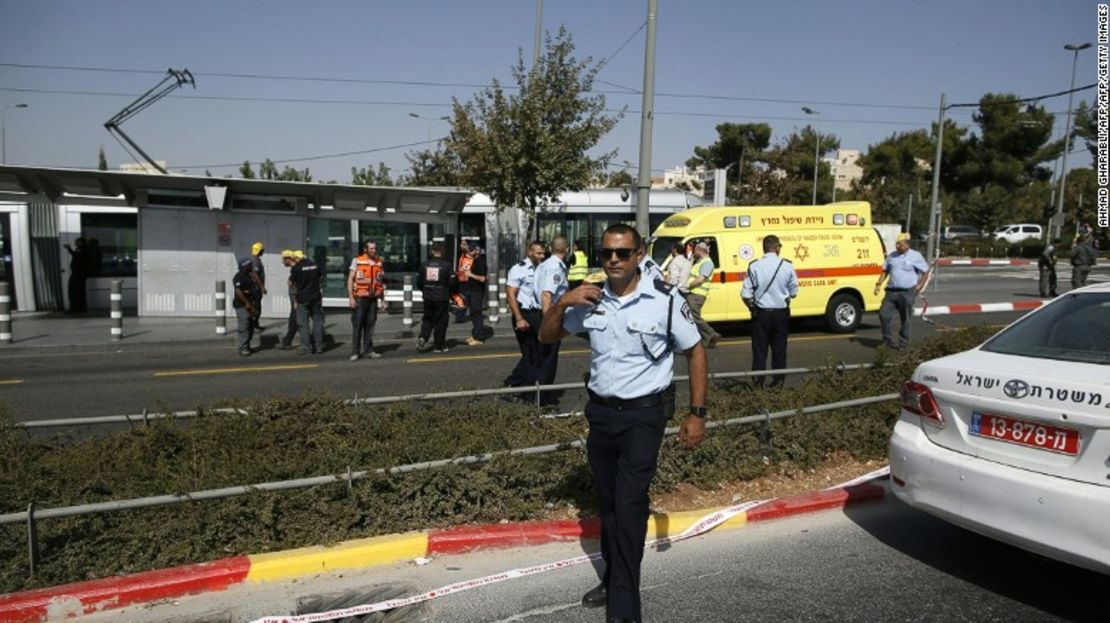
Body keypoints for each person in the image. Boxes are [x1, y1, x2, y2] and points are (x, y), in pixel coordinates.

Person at [539, 223, 708, 623]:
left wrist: (697, 413)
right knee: (611, 504)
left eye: (622, 253)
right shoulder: (591, 300)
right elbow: (547, 337)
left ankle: (625, 606)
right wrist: (563, 301)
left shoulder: (665, 300)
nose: (613, 260)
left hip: (643, 417)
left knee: (629, 506)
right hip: (601, 416)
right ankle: (614, 574)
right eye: (606, 254)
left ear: (639, 254)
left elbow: (696, 352)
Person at [741, 235, 799, 388]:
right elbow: (794, 293)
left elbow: (745, 294)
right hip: (781, 314)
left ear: (764, 248)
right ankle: (778, 383)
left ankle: (758, 383)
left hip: (761, 314)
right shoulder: (787, 266)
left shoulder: (754, 266)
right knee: (779, 350)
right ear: (778, 248)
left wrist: (752, 306)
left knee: (760, 351)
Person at [874, 232, 930, 349]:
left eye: (899, 244)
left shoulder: (916, 256)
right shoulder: (892, 256)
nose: (897, 246)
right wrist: (879, 284)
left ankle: (903, 343)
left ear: (907, 245)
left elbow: (925, 271)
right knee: (883, 314)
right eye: (896, 244)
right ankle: (887, 340)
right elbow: (885, 271)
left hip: (907, 292)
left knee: (905, 318)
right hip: (890, 292)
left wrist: (920, 286)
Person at [503, 241, 545, 387]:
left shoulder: (541, 268)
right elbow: (510, 294)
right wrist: (519, 318)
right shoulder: (518, 269)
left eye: (543, 253)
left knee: (539, 352)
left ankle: (517, 381)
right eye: (538, 253)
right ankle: (519, 385)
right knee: (529, 353)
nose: (542, 256)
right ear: (530, 252)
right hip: (524, 314)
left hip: (537, 314)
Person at [533, 236, 570, 401]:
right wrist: (549, 322)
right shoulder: (555, 268)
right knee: (548, 359)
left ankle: (539, 394)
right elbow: (547, 295)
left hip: (538, 313)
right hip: (549, 315)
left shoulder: (545, 264)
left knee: (541, 358)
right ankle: (543, 399)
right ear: (567, 249)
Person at [347, 240, 386, 361]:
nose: (374, 251)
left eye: (375, 248)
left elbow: (380, 282)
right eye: (371, 249)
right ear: (365, 249)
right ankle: (355, 352)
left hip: (373, 299)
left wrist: (383, 300)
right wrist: (351, 298)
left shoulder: (379, 262)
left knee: (370, 326)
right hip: (360, 298)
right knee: (357, 325)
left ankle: (369, 350)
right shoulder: (357, 261)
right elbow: (350, 279)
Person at [416, 241, 455, 353]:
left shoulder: (424, 265)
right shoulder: (446, 265)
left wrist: (425, 289)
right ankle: (438, 346)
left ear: (432, 251)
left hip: (428, 297)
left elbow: (418, 282)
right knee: (441, 322)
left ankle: (423, 337)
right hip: (442, 297)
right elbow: (453, 282)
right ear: (442, 252)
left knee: (428, 319)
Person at [686, 241, 722, 348]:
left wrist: (686, 286)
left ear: (700, 251)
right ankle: (707, 339)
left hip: (696, 294)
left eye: (695, 250)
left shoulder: (707, 263)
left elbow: (700, 280)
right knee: (691, 317)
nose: (693, 252)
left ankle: (711, 334)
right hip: (693, 293)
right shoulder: (699, 262)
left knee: (694, 317)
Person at [290, 250, 324, 355]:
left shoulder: (296, 268)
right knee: (317, 322)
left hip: (303, 299)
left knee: (303, 324)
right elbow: (320, 278)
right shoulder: (315, 265)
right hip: (316, 298)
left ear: (296, 258)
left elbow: (292, 283)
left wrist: (294, 298)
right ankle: (319, 346)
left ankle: (306, 347)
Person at [232, 257, 260, 356]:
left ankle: (247, 346)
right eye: (249, 265)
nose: (251, 266)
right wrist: (247, 303)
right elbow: (238, 291)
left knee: (251, 327)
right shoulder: (239, 276)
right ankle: (243, 348)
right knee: (244, 327)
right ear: (244, 266)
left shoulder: (250, 275)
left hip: (251, 305)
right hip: (242, 305)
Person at [462, 243, 488, 345]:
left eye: (471, 251)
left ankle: (479, 338)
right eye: (468, 250)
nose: (469, 252)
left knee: (477, 314)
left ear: (476, 251)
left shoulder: (481, 261)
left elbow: (482, 278)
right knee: (473, 313)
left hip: (477, 291)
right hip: (471, 290)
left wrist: (470, 275)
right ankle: (475, 335)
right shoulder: (473, 260)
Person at [278, 250, 299, 350]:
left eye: (283, 259)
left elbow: (297, 288)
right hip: (295, 301)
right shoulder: (294, 269)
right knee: (294, 322)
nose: (282, 262)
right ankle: (287, 342)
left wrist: (295, 301)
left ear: (288, 259)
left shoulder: (295, 270)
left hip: (297, 302)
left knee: (294, 322)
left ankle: (287, 342)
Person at [63, 237, 91, 313]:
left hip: (78, 274)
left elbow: (77, 256)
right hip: (80, 274)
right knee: (80, 292)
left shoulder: (82, 250)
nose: (75, 243)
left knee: (74, 291)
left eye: (77, 242)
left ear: (81, 242)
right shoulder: (83, 250)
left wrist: (69, 249)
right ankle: (81, 308)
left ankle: (75, 308)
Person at [454, 239, 474, 323]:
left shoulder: (472, 256)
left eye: (463, 244)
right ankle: (460, 317)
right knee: (462, 298)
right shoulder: (462, 255)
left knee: (469, 298)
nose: (461, 246)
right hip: (462, 280)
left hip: (469, 280)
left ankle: (467, 316)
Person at [249, 241, 267, 331]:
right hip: (255, 289)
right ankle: (253, 326)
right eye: (262, 250)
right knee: (256, 307)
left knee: (257, 307)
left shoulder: (256, 259)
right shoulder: (255, 261)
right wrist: (262, 287)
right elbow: (255, 275)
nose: (263, 251)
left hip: (256, 288)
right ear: (259, 251)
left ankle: (255, 324)